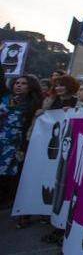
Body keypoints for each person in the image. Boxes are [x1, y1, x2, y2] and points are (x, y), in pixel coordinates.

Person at [0, 75, 42, 213]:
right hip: (2, 136)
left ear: (30, 87)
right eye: (17, 83)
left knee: (9, 171)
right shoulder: (5, 99)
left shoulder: (34, 104)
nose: (19, 85)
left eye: (23, 83)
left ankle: (7, 199)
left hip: (17, 141)